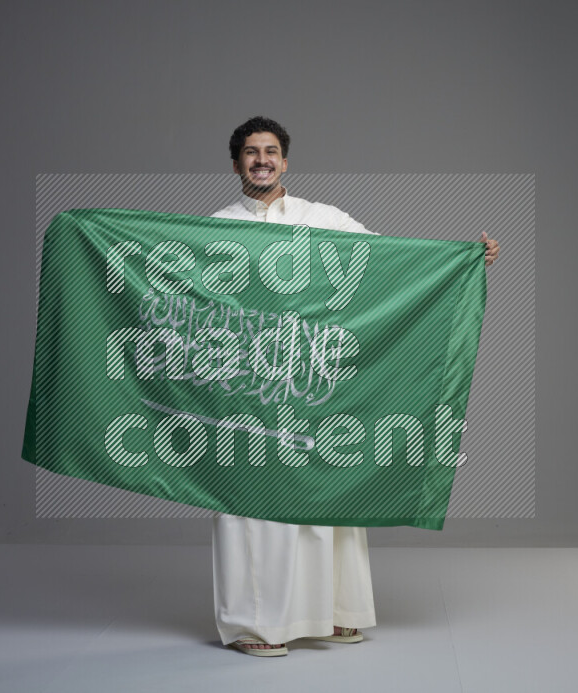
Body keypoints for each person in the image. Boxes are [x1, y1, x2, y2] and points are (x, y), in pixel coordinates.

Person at [210, 116, 500, 657]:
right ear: (235, 164)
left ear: (286, 161)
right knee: (251, 509)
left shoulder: (324, 218)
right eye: (251, 153)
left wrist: (461, 260)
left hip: (313, 382)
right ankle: (255, 625)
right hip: (246, 388)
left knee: (324, 497)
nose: (262, 160)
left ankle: (332, 612)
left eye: (271, 151)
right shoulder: (215, 228)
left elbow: (388, 263)